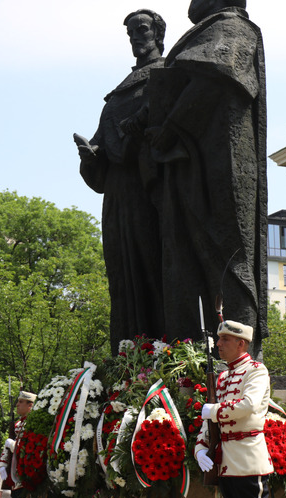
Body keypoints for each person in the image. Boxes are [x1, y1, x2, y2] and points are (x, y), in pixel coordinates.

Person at [146, 0, 268, 355]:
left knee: (229, 255)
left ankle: (241, 357)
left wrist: (169, 127)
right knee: (182, 254)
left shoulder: (234, 26)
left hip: (221, 158)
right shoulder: (205, 31)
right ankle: (185, 357)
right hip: (187, 158)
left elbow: (214, 81)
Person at [76, 9, 166, 354]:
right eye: (130, 32)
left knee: (151, 264)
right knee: (121, 272)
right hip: (117, 194)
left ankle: (162, 348)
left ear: (157, 33)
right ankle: (126, 354)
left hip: (148, 189)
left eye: (141, 29)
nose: (136, 37)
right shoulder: (117, 95)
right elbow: (103, 141)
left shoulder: (166, 74)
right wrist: (91, 155)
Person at [194, 320, 273, 498]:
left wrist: (214, 410)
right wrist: (200, 448)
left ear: (241, 344)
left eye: (225, 339)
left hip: (248, 462)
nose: (218, 344)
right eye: (219, 339)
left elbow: (248, 405)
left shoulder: (256, 371)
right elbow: (211, 423)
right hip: (226, 464)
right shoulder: (222, 377)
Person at [0, 391, 35, 498]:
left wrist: (14, 445)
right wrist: (2, 464)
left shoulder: (34, 423)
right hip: (16, 472)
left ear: (30, 405)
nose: (17, 405)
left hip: (29, 470)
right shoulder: (17, 424)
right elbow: (7, 447)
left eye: (21, 402)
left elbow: (30, 446)